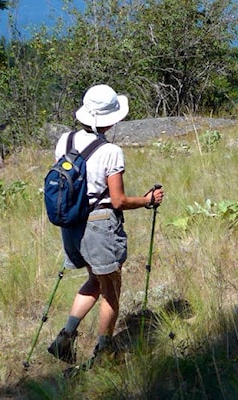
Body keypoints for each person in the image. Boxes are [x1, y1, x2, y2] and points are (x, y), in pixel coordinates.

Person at [47, 84, 164, 365]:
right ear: (110, 118)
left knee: (94, 280)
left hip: (71, 224)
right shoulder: (111, 151)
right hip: (99, 226)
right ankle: (104, 351)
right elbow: (118, 200)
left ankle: (65, 337)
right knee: (111, 289)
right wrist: (148, 200)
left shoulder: (65, 140)